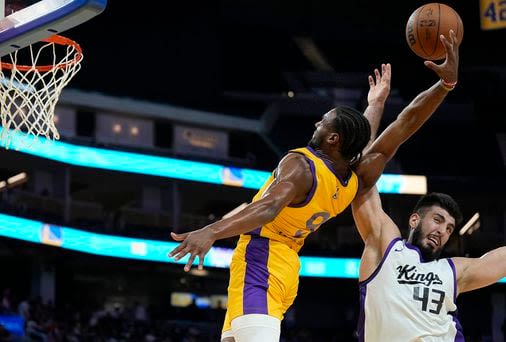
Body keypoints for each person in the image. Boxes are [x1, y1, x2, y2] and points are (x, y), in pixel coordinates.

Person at [169, 31, 460, 342]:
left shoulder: (300, 166)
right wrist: (443, 86)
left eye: (323, 121)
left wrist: (211, 231)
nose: (316, 125)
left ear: (333, 139)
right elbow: (403, 124)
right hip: (285, 267)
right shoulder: (355, 178)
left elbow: (267, 208)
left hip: (260, 259)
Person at [352, 189, 506, 341]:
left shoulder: (451, 270)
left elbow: (496, 262)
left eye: (449, 229)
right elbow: (364, 186)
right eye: (437, 220)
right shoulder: (387, 249)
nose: (442, 231)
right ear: (414, 220)